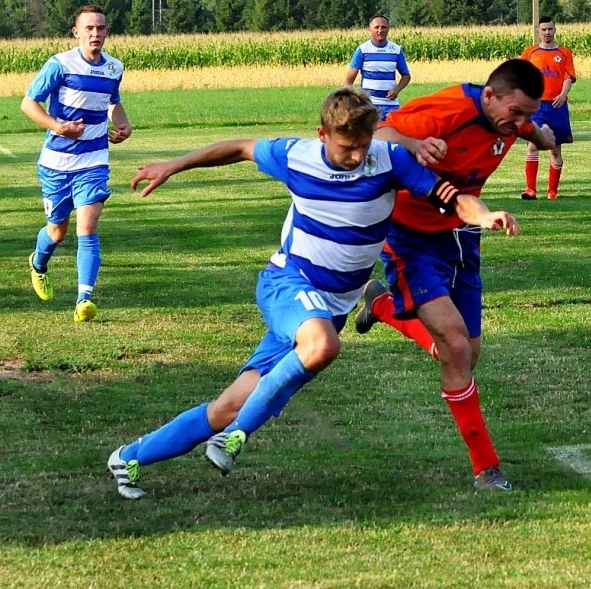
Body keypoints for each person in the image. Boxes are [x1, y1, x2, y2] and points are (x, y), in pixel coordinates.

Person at [108, 87, 518, 500]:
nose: (357, 157)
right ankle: (235, 438)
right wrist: (173, 165)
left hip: (328, 308)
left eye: (363, 145)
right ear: (322, 134)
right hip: (288, 284)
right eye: (347, 148)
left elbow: (450, 198)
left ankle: (128, 457)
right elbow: (239, 147)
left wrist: (483, 215)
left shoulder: (388, 160)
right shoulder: (295, 155)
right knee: (322, 345)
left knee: (230, 405)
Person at [352, 59, 556, 490]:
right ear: (489, 96)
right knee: (455, 346)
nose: (520, 121)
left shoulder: (510, 122)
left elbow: (524, 129)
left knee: (467, 353)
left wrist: (541, 134)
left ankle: (382, 305)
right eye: (516, 112)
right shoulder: (450, 110)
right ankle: (486, 468)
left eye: (529, 113)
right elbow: (379, 135)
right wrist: (413, 144)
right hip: (410, 236)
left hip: (463, 233)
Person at [21, 6, 131, 320]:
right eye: (89, 28)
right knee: (57, 231)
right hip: (56, 163)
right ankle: (38, 263)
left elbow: (113, 103)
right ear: (76, 32)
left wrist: (123, 125)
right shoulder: (59, 65)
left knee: (88, 226)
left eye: (101, 28)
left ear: (107, 32)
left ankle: (84, 299)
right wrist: (58, 127)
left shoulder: (114, 68)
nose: (95, 34)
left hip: (94, 160)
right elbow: (29, 103)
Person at [520, 18, 576, 199]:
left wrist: (562, 94)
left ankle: (552, 191)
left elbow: (568, 77)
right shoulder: (530, 52)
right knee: (533, 146)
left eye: (550, 29)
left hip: (556, 106)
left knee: (555, 149)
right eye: (543, 29)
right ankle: (530, 190)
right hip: (536, 107)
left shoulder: (564, 53)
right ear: (538, 31)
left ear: (555, 30)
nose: (547, 32)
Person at [344, 15, 412, 122]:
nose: (380, 30)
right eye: (376, 27)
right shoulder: (362, 50)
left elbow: (406, 75)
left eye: (383, 27)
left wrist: (397, 89)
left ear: (388, 29)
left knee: (392, 137)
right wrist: (349, 102)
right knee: (371, 138)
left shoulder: (396, 50)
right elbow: (349, 81)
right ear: (370, 29)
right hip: (369, 105)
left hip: (391, 106)